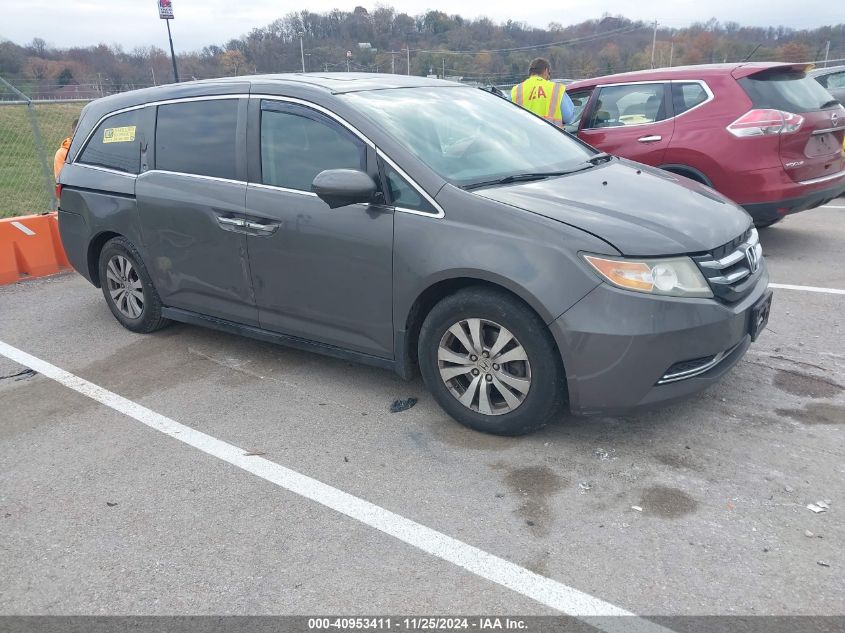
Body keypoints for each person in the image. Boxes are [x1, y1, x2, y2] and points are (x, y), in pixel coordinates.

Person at [510, 58, 575, 127]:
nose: (549, 76)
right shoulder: (556, 89)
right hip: (551, 135)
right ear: (546, 71)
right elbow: (568, 117)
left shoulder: (516, 90)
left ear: (530, 72)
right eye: (549, 73)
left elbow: (507, 118)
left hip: (525, 136)